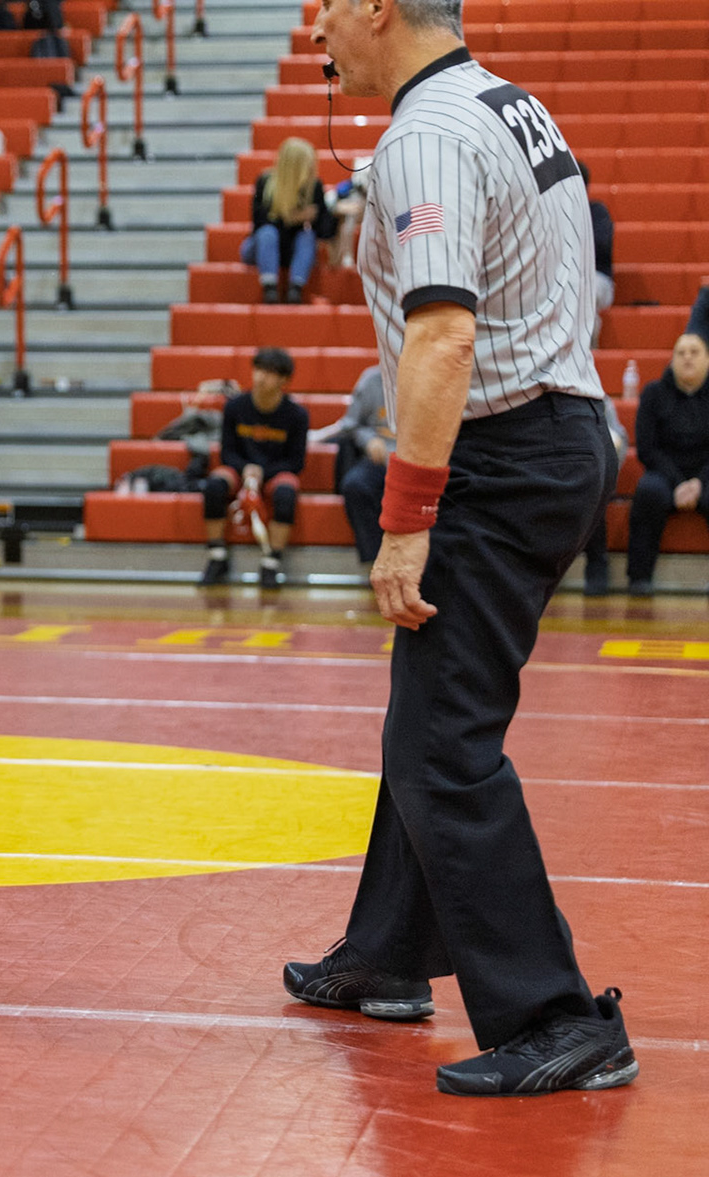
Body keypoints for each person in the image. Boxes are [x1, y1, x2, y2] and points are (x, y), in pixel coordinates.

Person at [288, 0, 633, 1097]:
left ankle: (557, 1016)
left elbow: (443, 332)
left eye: (327, 6)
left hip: (502, 455)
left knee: (443, 746)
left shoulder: (426, 133)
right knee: (427, 715)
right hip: (554, 432)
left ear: (378, 8)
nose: (314, 30)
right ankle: (387, 954)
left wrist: (405, 520)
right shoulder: (506, 104)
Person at [198, 347, 308, 589]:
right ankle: (217, 556)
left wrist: (262, 472)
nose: (260, 377)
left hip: (275, 472)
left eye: (268, 372)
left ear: (284, 380)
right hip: (240, 470)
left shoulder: (297, 415)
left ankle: (271, 562)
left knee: (286, 492)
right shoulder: (235, 407)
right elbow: (227, 453)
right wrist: (246, 469)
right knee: (214, 485)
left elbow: (296, 462)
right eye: (258, 370)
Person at [624, 331, 709, 595]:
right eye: (681, 353)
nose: (687, 358)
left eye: (694, 352)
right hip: (664, 474)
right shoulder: (653, 393)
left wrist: (699, 483)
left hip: (706, 475)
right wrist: (679, 483)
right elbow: (646, 449)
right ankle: (639, 577)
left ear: (707, 359)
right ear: (672, 360)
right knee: (648, 491)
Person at [239, 137, 335, 305]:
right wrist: (293, 218)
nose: (312, 168)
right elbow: (259, 224)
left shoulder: (314, 187)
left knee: (307, 236)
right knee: (268, 233)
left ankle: (295, 288)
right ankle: (269, 287)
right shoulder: (265, 182)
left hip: (293, 250)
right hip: (263, 247)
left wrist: (326, 214)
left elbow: (325, 232)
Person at [330, 365, 394, 563]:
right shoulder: (371, 379)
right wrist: (369, 440)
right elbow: (351, 425)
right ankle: (374, 561)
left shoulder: (430, 378)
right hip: (378, 458)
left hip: (418, 460)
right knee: (355, 485)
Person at [578, 161, 613, 349]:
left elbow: (602, 245)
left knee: (583, 292)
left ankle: (586, 351)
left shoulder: (597, 212)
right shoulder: (554, 212)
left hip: (597, 278)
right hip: (564, 277)